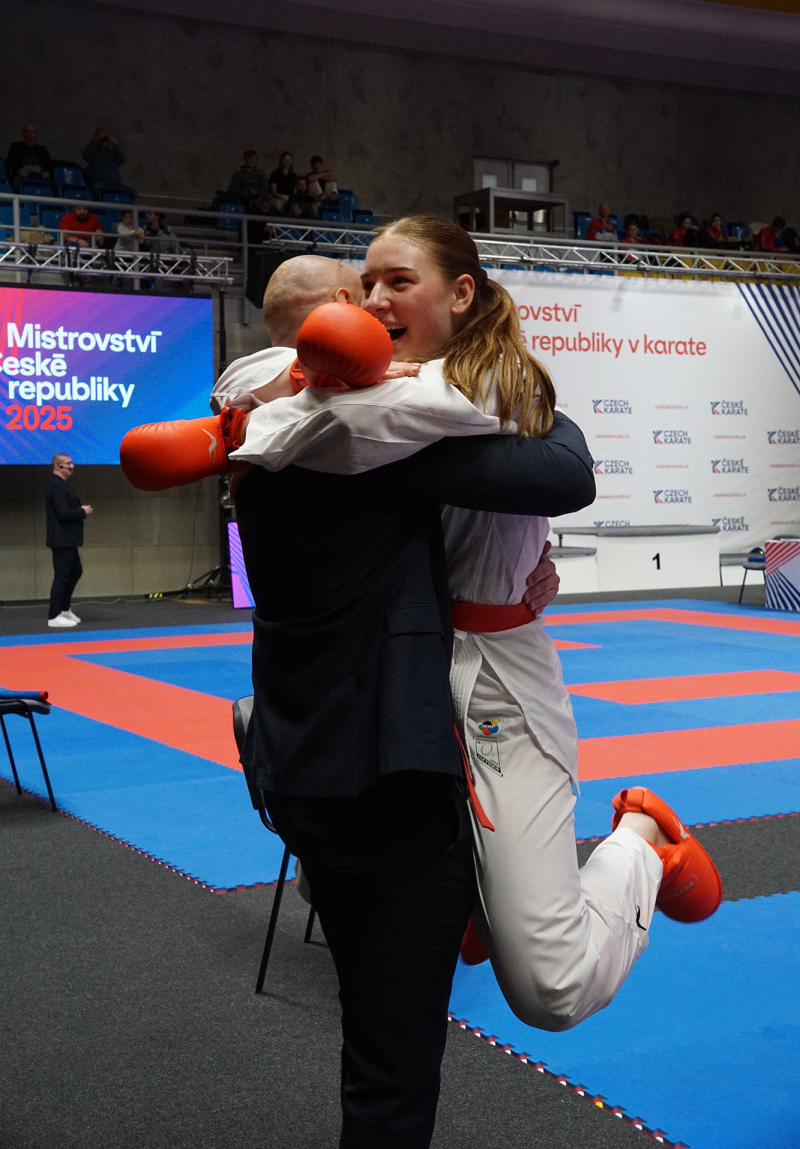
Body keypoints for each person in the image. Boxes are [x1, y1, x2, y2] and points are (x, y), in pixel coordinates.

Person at [120, 219, 719, 1142]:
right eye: (365, 284)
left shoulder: (487, 391)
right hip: (393, 689)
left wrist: (268, 427)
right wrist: (280, 402)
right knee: (344, 841)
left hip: (496, 680)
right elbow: (271, 377)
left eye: (398, 281)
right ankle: (471, 894)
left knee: (550, 989)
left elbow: (559, 472)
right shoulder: (341, 388)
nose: (374, 301)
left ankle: (644, 840)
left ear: (461, 294)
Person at [46, 453, 92, 629]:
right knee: (62, 577)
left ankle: (64, 609)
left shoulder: (62, 485)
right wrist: (82, 511)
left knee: (75, 572)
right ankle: (54, 615)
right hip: (61, 539)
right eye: (68, 463)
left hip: (68, 539)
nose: (72, 466)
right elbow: (63, 513)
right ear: (57, 466)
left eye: (72, 463)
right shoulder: (57, 486)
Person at [82, 128, 128, 197]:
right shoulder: (93, 153)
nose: (104, 141)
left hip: (115, 183)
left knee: (132, 192)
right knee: (97, 189)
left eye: (106, 138)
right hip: (100, 182)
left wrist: (115, 145)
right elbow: (86, 155)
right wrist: (95, 141)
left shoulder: (112, 153)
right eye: (102, 139)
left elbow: (122, 160)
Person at [5, 123, 53, 187]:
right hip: (21, 176)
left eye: (33, 132)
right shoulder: (16, 147)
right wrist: (18, 169)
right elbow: (9, 162)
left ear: (35, 134)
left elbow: (49, 165)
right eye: (28, 131)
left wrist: (47, 172)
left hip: (40, 176)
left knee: (54, 185)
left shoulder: (42, 149)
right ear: (23, 133)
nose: (30, 134)